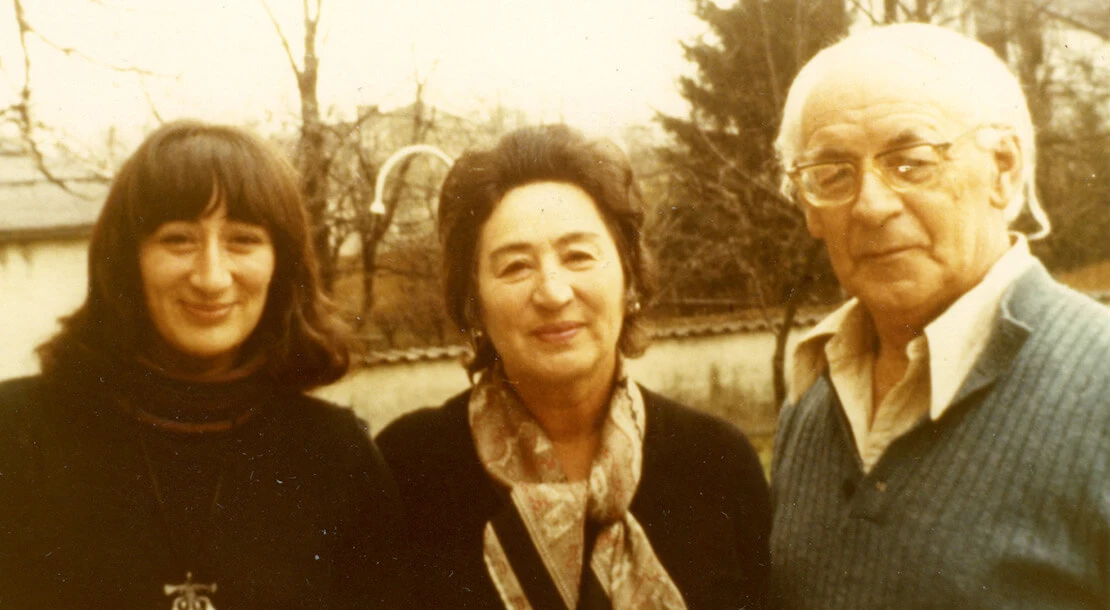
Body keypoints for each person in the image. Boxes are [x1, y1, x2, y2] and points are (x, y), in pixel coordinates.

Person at [0, 120, 410, 608]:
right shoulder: (18, 433)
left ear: (282, 265)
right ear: (127, 260)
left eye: (242, 240)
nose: (212, 277)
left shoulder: (336, 454)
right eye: (178, 239)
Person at [770, 23, 1110, 608]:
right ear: (809, 209)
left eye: (911, 161)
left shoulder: (1100, 384)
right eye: (833, 174)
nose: (871, 205)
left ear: (1004, 169)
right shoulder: (810, 403)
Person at [375, 124, 772, 609]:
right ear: (473, 300)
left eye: (578, 256)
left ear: (629, 277)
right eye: (516, 266)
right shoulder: (408, 468)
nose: (554, 292)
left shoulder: (717, 462)